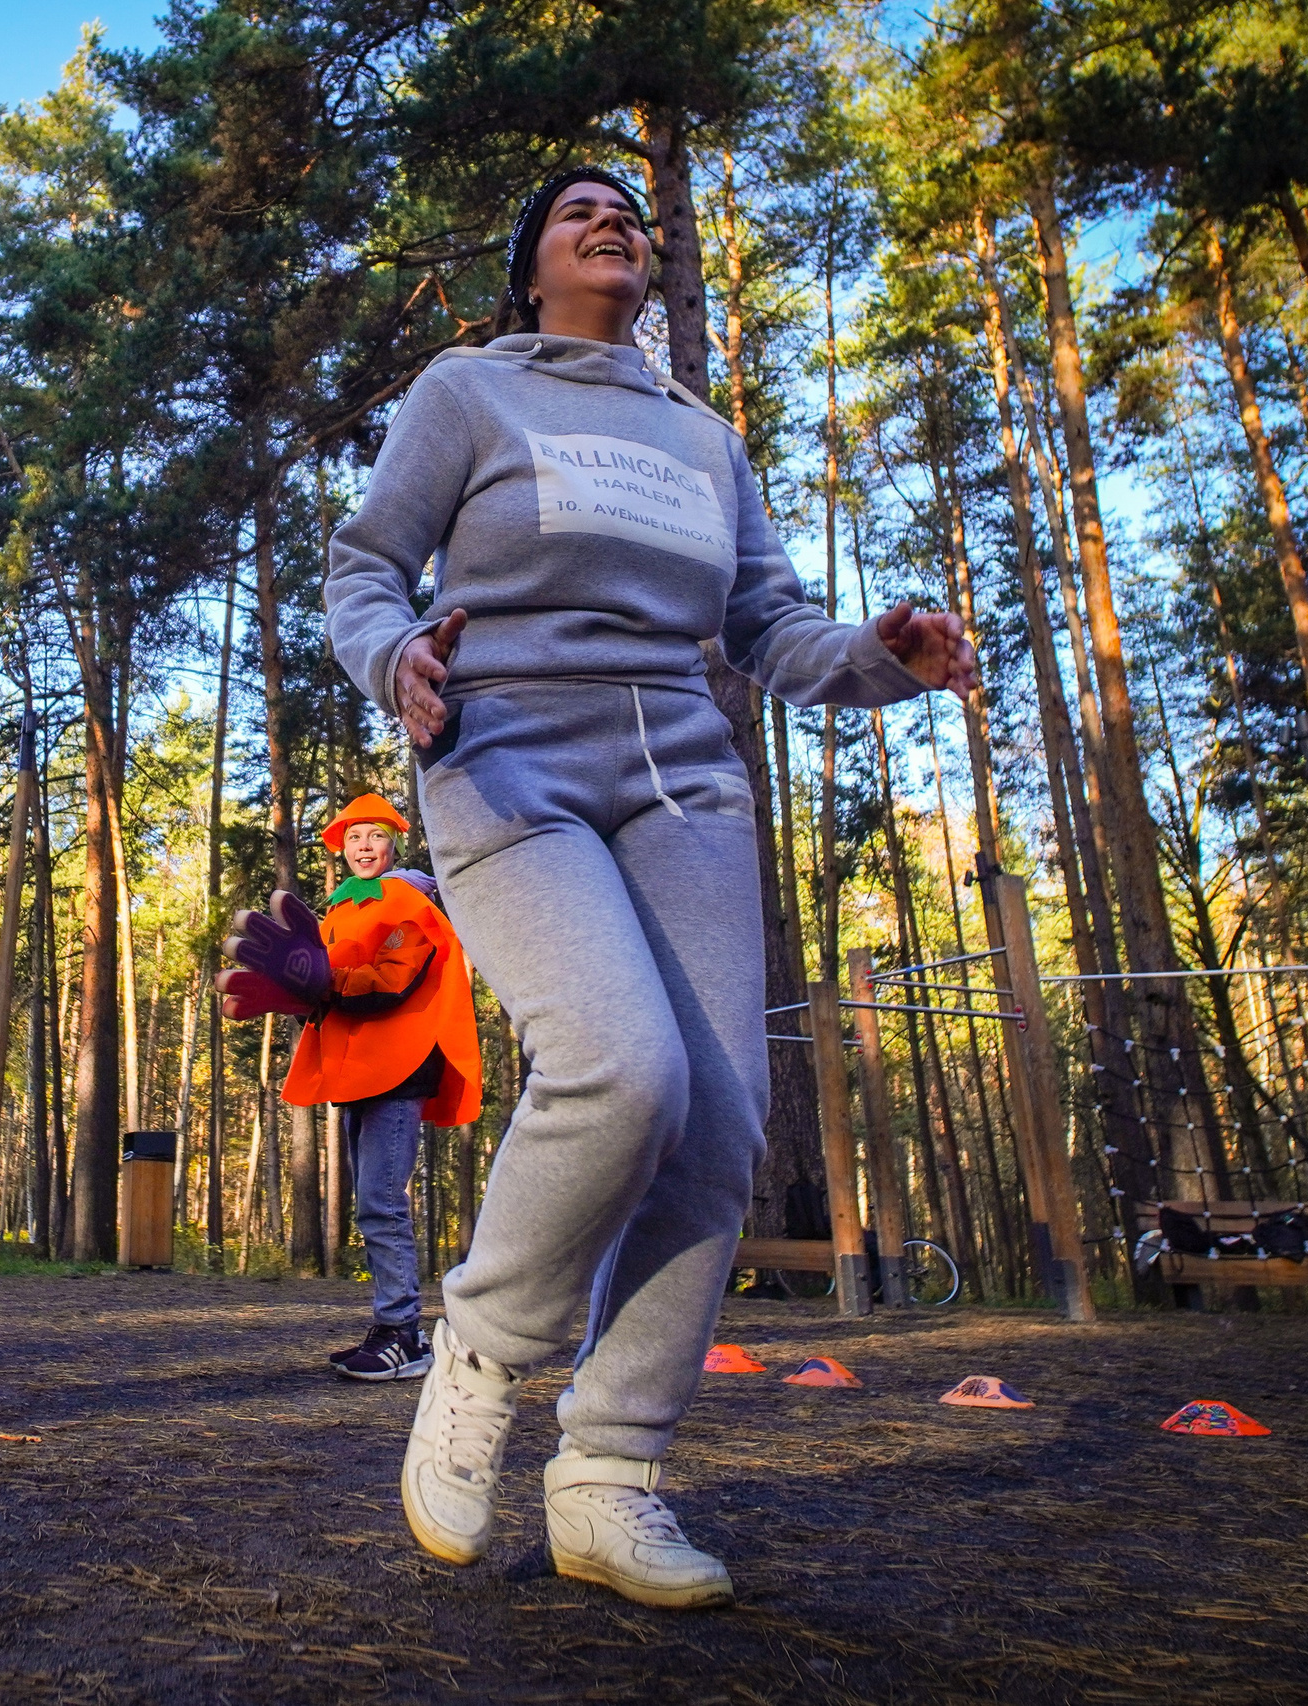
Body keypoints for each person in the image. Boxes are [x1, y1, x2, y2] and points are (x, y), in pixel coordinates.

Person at [322, 166, 973, 1608]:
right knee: (622, 1067)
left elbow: (766, 622)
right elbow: (366, 564)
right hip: (507, 756)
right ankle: (482, 1359)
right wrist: (396, 659)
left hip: (683, 776)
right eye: (576, 212)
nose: (615, 221)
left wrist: (880, 655)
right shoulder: (469, 391)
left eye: (631, 211)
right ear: (532, 266)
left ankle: (610, 1476)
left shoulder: (703, 436)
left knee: (722, 1115)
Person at [275, 794, 480, 1381]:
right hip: (360, 1068)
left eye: (375, 835)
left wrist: (323, 979)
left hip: (402, 1065)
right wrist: (298, 992)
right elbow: (325, 994)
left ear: (394, 843)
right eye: (353, 837)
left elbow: (393, 979)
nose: (364, 846)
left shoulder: (409, 902)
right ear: (340, 848)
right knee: (374, 1202)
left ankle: (404, 1336)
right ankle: (393, 1326)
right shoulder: (337, 911)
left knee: (382, 1203)